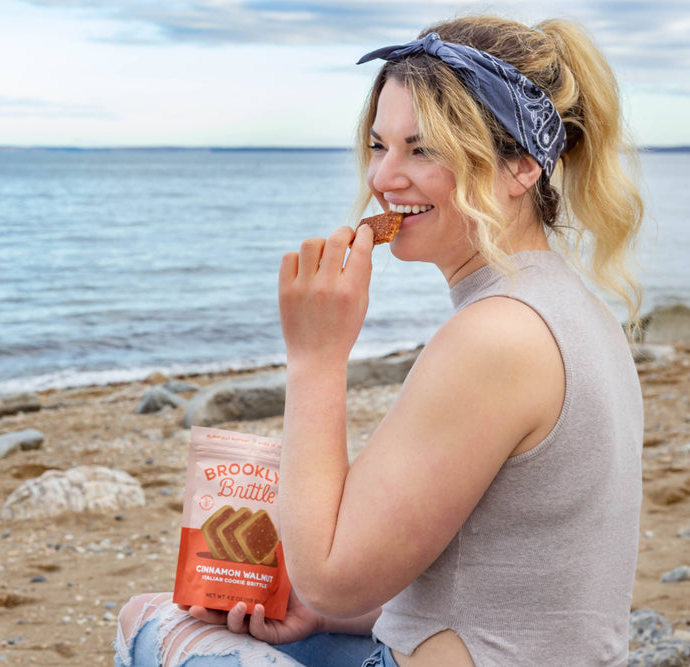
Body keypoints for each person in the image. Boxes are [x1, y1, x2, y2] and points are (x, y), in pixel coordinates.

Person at [116, 13, 644, 666]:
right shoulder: (569, 307)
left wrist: (316, 357)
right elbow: (505, 575)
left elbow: (331, 573)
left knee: (143, 618)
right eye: (378, 145)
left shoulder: (496, 337)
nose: (383, 178)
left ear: (520, 169)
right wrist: (323, 610)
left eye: (422, 149)